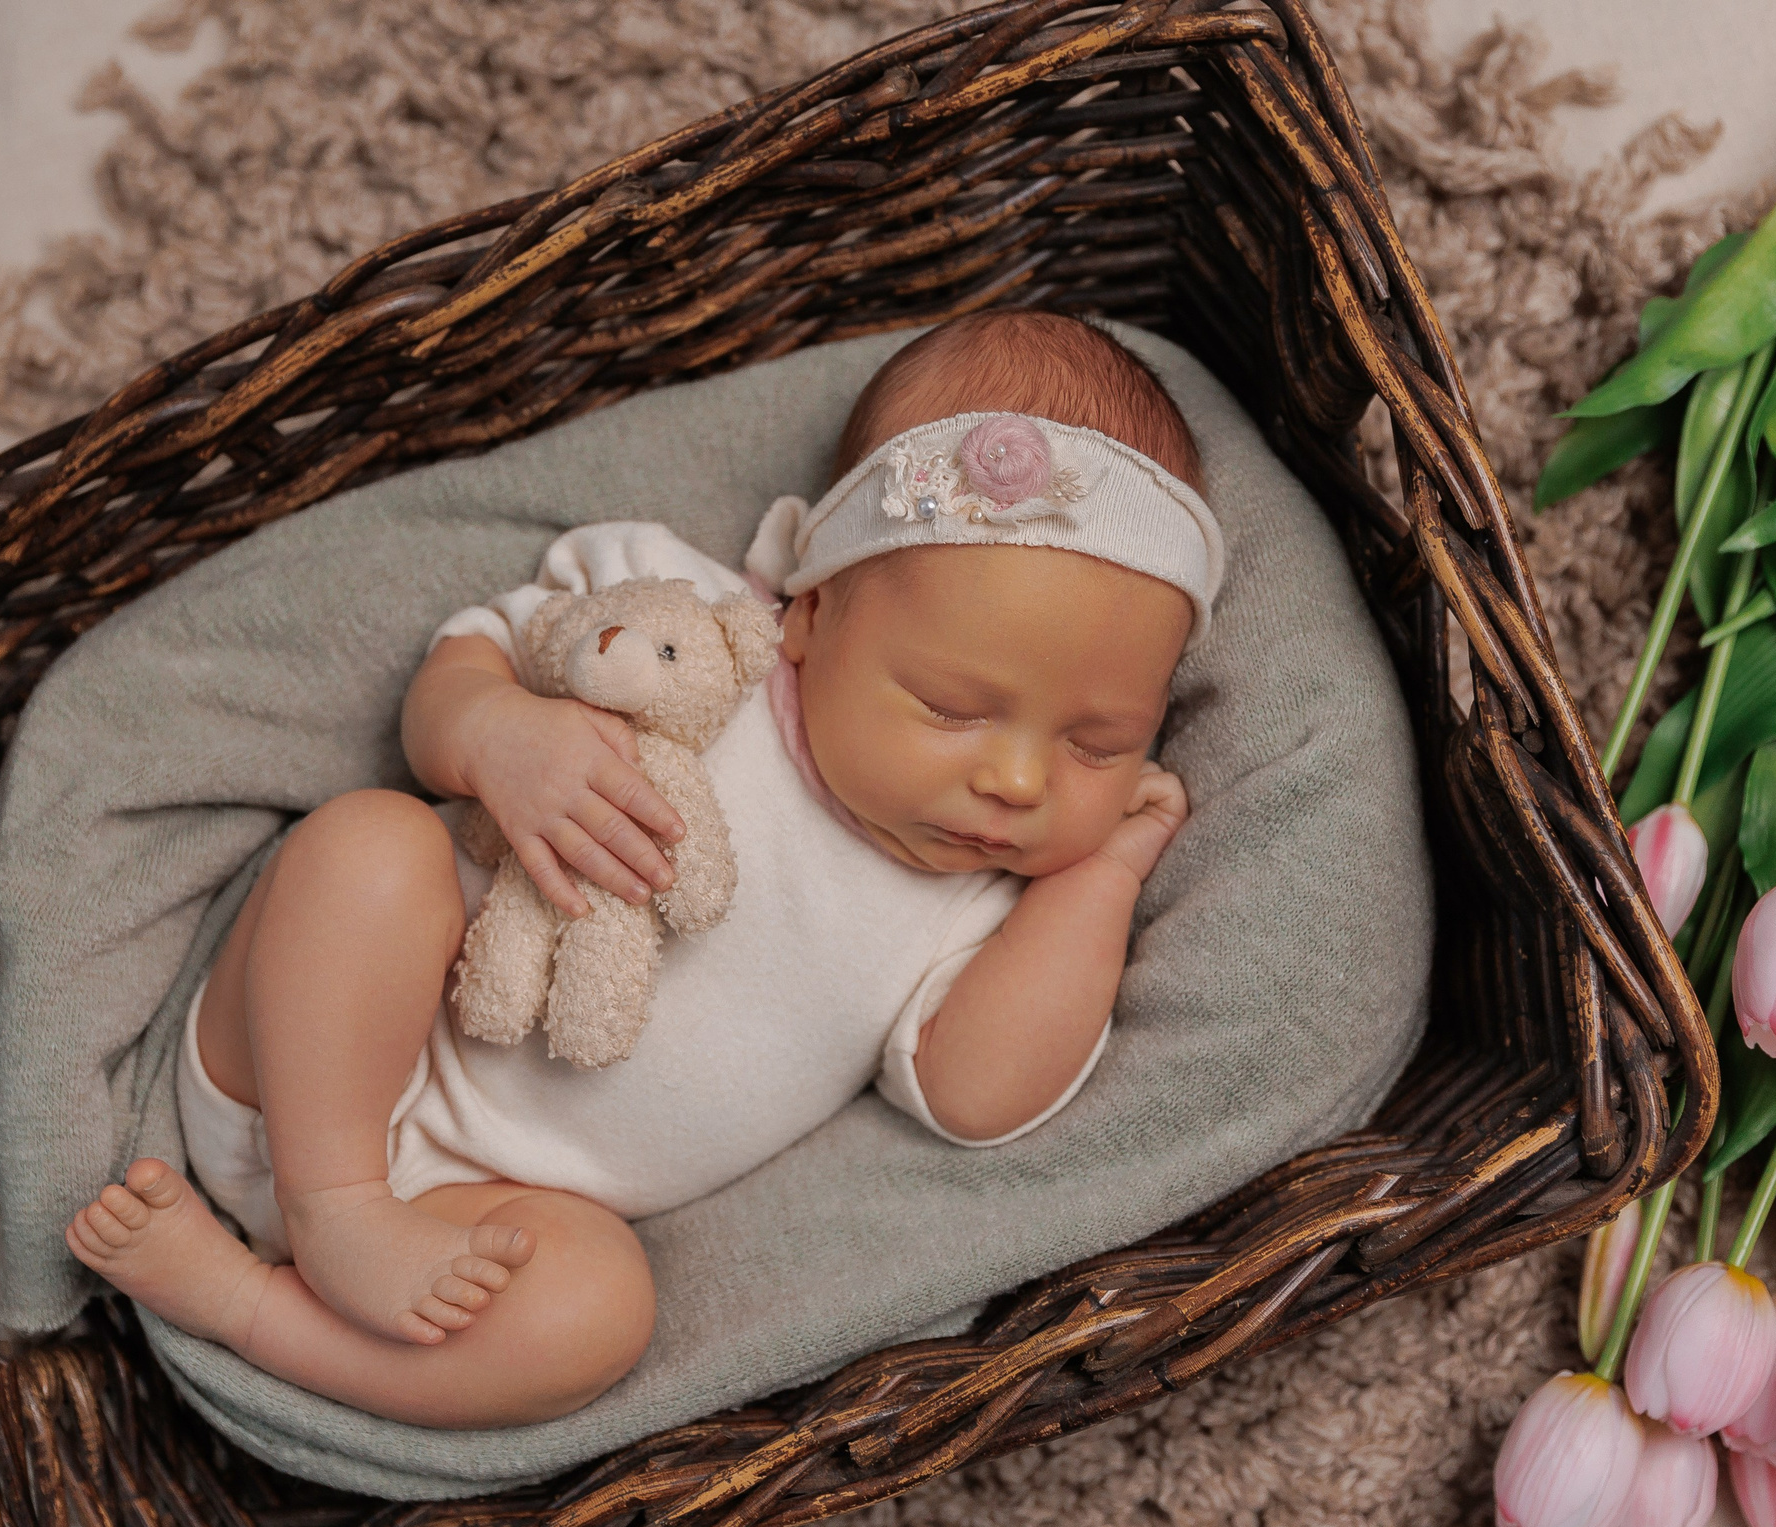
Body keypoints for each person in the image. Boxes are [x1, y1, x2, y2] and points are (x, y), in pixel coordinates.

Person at [64, 310, 1222, 1429]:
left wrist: (1099, 875)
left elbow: (981, 1094)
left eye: (1095, 743)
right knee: (369, 849)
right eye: (952, 707)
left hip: (487, 1224)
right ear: (809, 614)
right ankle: (331, 1210)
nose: (1018, 782)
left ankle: (246, 1307)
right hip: (304, 1066)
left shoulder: (978, 906)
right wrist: (493, 735)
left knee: (598, 1318)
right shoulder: (692, 624)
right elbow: (468, 658)